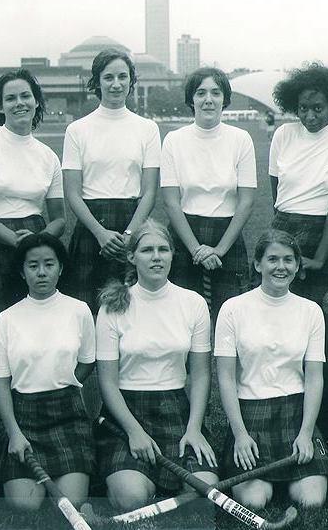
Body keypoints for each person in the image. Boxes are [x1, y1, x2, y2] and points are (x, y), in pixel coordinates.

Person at [269, 62, 328, 451]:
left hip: (325, 241)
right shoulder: (282, 135)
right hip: (284, 239)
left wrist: (320, 258)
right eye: (303, 107)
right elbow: (277, 195)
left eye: (318, 108)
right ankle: (286, 429)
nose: (309, 115)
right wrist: (284, 248)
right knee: (283, 341)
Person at [95, 219, 218, 511]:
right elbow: (107, 383)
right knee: (132, 497)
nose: (156, 257)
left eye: (163, 249)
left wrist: (195, 428)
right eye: (147, 250)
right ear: (131, 256)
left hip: (176, 408)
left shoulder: (193, 303)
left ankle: (164, 487)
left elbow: (201, 375)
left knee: (205, 493)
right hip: (125, 412)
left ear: (173, 254)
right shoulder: (112, 306)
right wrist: (134, 431)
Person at [215, 229, 328, 510]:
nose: (281, 267)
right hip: (250, 415)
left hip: (295, 413)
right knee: (253, 501)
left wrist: (306, 433)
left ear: (296, 265)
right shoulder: (233, 309)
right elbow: (226, 378)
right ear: (258, 264)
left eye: (289, 260)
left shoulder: (311, 311)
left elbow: (314, 379)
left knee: (312, 500)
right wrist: (240, 434)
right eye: (273, 259)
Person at [0, 233, 96, 510]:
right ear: (22, 272)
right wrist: (14, 433)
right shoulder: (7, 318)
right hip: (24, 418)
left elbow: (87, 362)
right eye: (33, 265)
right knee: (25, 506)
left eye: (49, 264)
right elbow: (1, 382)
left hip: (68, 416)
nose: (41, 272)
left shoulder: (79, 310)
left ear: (60, 267)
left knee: (71, 503)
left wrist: (64, 381)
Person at [61, 49, 160, 310]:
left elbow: (150, 191)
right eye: (108, 77)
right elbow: (72, 193)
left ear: (131, 81)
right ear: (97, 81)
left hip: (132, 223)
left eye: (122, 77)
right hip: (92, 227)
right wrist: (99, 233)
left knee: (133, 310)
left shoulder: (147, 129)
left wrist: (130, 235)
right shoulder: (77, 130)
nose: (116, 84)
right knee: (87, 309)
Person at [0, 69, 66, 317]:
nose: (19, 103)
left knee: (35, 321)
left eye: (25, 96)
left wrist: (35, 242)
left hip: (35, 241)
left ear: (36, 101)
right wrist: (15, 240)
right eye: (10, 98)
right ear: (0, 107)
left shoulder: (48, 156)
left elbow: (60, 219)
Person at [160, 67, 256, 319]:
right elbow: (171, 203)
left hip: (228, 236)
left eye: (216, 92)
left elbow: (246, 202)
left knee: (230, 319)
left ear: (225, 98)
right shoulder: (173, 140)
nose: (208, 99)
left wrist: (219, 250)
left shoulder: (241, 139)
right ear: (191, 99)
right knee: (183, 320)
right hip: (184, 237)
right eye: (200, 93)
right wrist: (196, 250)